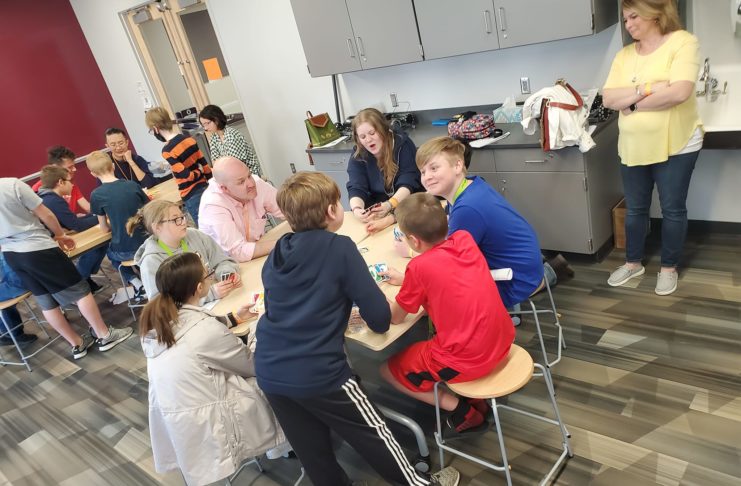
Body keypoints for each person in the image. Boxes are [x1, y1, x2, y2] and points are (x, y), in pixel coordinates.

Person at [255, 171, 460, 486]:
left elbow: (291, 299)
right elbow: (379, 318)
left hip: (269, 370)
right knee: (375, 435)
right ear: (331, 211)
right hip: (319, 372)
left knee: (314, 455)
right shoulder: (340, 247)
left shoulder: (279, 250)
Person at [140, 252, 289, 486]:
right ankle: (287, 444)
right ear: (200, 288)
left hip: (185, 421)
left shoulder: (158, 325)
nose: (211, 276)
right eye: (208, 273)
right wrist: (260, 327)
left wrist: (233, 318)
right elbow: (253, 365)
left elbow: (194, 335)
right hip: (214, 420)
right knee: (281, 373)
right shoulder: (203, 330)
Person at [379, 193, 515, 436]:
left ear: (413, 240)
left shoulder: (418, 268)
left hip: (468, 359)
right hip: (503, 340)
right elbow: (444, 272)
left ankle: (463, 411)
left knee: (387, 371)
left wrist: (381, 297)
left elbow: (396, 317)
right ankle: (472, 398)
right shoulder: (464, 239)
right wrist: (408, 280)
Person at [602, 0, 702, 296]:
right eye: (625, 19)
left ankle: (669, 268)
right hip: (633, 145)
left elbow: (679, 92)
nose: (628, 24)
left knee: (672, 209)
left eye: (634, 16)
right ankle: (633, 263)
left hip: (677, 143)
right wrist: (648, 89)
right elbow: (609, 99)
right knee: (635, 209)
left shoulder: (683, 42)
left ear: (655, 13)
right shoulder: (623, 56)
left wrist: (632, 103)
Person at [0, 177, 133, 360]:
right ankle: (104, 335)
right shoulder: (12, 185)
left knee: (46, 302)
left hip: (12, 255)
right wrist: (60, 235)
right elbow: (45, 214)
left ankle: (76, 344)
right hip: (37, 248)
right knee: (80, 292)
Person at [414, 136, 546, 309]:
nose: (427, 177)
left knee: (434, 296)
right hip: (527, 267)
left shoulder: (467, 208)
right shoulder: (472, 184)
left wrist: (414, 249)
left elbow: (450, 267)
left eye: (434, 168)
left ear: (458, 165)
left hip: (514, 281)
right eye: (423, 172)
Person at [131, 199, 241, 303]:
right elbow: (163, 306)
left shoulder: (195, 235)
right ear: (157, 227)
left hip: (224, 298)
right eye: (175, 220)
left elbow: (222, 261)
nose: (183, 222)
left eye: (182, 217)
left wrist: (227, 274)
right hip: (190, 314)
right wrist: (208, 295)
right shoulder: (151, 262)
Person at [347, 108, 423, 234]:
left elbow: (408, 182)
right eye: (363, 137)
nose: (368, 140)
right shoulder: (358, 154)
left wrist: (390, 204)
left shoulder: (403, 144)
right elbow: (356, 186)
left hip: (409, 205)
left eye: (372, 133)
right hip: (379, 210)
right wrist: (357, 209)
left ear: (383, 129)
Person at [86, 151, 149, 300]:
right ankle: (148, 276)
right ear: (113, 166)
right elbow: (149, 210)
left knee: (111, 254)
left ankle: (137, 283)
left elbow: (104, 228)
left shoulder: (96, 195)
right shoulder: (132, 185)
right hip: (148, 242)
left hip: (125, 250)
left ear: (93, 174)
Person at [198, 156, 285, 262]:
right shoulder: (213, 205)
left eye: (249, 175)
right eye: (241, 182)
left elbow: (288, 210)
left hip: (256, 254)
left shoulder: (256, 183)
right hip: (227, 264)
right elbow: (237, 252)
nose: (251, 184)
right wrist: (284, 244)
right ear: (224, 188)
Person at [37, 165, 107, 294]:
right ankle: (81, 280)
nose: (72, 185)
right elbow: (77, 225)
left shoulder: (49, 198)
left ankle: (84, 277)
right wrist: (103, 216)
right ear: (60, 182)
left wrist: (96, 215)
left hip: (51, 243)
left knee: (100, 244)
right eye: (70, 181)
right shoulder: (53, 200)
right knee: (96, 246)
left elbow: (71, 222)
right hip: (51, 248)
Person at [145, 106, 212, 226]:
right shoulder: (189, 139)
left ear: (155, 128)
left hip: (190, 194)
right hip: (206, 187)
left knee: (204, 229)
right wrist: (206, 178)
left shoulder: (167, 151)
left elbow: (187, 175)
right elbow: (205, 166)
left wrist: (198, 172)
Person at [199, 104, 263, 178]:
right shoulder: (214, 137)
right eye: (203, 125)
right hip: (231, 174)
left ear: (216, 120)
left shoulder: (232, 135)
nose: (205, 128)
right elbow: (215, 163)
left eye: (207, 123)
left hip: (247, 175)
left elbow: (235, 165)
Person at [32, 145, 90, 214]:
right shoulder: (36, 190)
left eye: (74, 166)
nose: (74, 169)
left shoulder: (70, 183)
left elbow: (87, 207)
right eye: (70, 167)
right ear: (55, 167)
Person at [0, 252, 38, 348]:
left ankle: (11, 333)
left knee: (4, 299)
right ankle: (12, 333)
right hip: (28, 279)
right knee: (4, 300)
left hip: (18, 283)